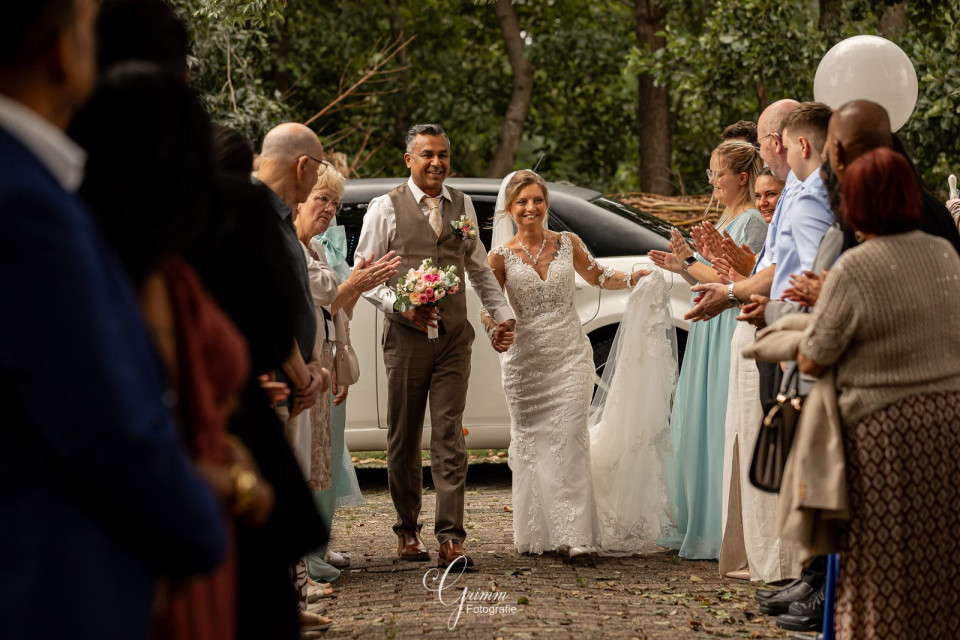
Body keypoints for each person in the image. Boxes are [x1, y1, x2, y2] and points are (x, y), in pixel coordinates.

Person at [0, 2, 226, 638]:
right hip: (55, 593)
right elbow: (108, 423)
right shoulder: (25, 205)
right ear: (61, 51)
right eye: (91, 31)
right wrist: (206, 519)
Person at [797, 147, 960, 640]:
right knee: (940, 566)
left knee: (879, 570)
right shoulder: (945, 253)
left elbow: (814, 355)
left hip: (883, 435)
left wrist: (822, 299)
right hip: (949, 425)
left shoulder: (857, 267)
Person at [354, 123, 515, 569]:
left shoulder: (461, 205)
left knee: (449, 436)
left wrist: (503, 317)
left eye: (443, 154)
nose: (437, 163)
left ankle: (451, 539)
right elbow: (364, 276)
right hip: (405, 341)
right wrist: (402, 306)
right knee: (403, 437)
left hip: (454, 340)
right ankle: (408, 531)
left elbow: (480, 270)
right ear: (409, 159)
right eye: (427, 155)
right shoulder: (384, 208)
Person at [483, 170, 650, 556]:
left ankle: (577, 536)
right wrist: (496, 329)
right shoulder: (500, 256)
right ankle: (540, 532)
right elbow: (490, 308)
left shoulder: (566, 243)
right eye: (522, 201)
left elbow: (598, 275)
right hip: (526, 366)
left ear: (546, 204)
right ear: (510, 208)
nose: (531, 208)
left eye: (537, 200)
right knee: (535, 447)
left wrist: (632, 277)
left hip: (570, 358)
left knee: (572, 441)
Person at [649, 141, 768, 559]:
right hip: (709, 323)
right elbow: (708, 278)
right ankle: (699, 518)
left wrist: (685, 261)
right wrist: (681, 263)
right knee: (696, 415)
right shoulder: (726, 217)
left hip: (727, 323)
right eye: (710, 173)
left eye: (719, 173)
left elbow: (732, 279)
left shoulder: (752, 221)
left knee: (718, 416)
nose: (713, 181)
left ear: (741, 177)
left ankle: (720, 527)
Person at [294, 163, 400, 583]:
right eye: (322, 198)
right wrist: (355, 283)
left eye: (334, 203)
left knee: (326, 455)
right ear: (299, 198)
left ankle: (317, 547)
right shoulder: (295, 249)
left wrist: (340, 359)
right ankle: (303, 558)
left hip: (327, 356)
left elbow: (338, 309)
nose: (329, 209)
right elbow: (324, 297)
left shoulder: (320, 250)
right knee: (309, 456)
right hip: (304, 359)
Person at [255, 122, 331, 632]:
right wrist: (301, 373)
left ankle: (286, 599)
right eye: (318, 169)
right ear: (302, 166)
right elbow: (265, 306)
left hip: (291, 377)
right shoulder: (255, 215)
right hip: (271, 377)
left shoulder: (278, 216)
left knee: (282, 495)